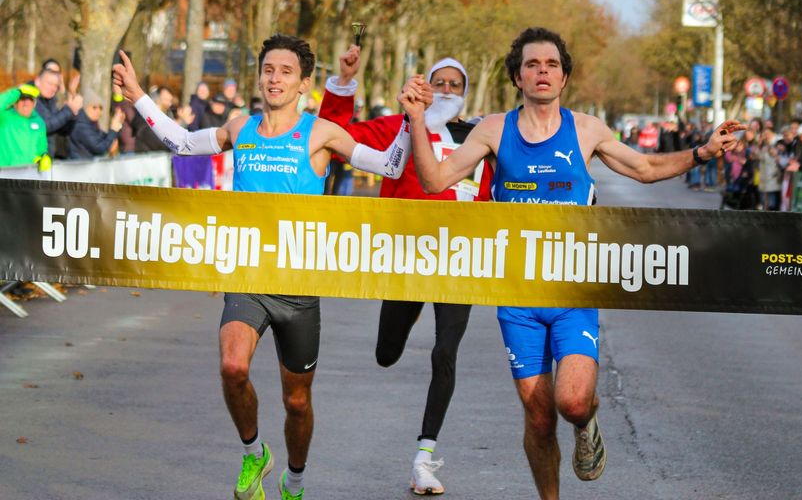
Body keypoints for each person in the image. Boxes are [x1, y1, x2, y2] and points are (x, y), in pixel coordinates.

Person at [400, 27, 745, 500]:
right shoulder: (494, 130)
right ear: (517, 77)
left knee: (573, 401)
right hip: (517, 296)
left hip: (573, 292)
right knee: (539, 418)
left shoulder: (585, 130)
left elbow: (644, 169)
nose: (542, 72)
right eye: (532, 65)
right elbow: (435, 179)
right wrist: (417, 119)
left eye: (552, 65)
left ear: (564, 77)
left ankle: (587, 423)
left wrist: (703, 151)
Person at [113, 34, 415, 500]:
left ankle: (294, 482)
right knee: (232, 367)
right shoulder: (240, 127)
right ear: (260, 77)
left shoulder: (320, 133)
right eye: (269, 70)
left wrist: (411, 120)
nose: (275, 79)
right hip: (248, 279)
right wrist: (138, 97)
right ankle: (254, 452)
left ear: (303, 84)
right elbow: (181, 142)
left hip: (297, 287)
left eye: (286, 72)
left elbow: (390, 167)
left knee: (296, 402)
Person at [319, 49, 493, 495]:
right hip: (405, 256)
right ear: (426, 87)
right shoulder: (396, 128)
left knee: (445, 353)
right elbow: (334, 138)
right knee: (386, 353)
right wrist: (344, 81)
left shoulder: (478, 140)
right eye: (441, 82)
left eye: (456, 85)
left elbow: (507, 193)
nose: (447, 91)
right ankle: (408, 314)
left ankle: (424, 458)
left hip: (459, 260)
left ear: (466, 93)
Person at [32, 60, 82, 159]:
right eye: (50, 84)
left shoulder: (51, 101)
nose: (53, 89)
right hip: (34, 159)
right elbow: (45, 126)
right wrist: (68, 110)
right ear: (37, 81)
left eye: (56, 86)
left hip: (53, 157)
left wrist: (73, 116)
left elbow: (62, 130)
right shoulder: (29, 99)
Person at [0, 83, 48, 169]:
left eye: (29, 99)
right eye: (22, 99)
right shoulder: (4, 117)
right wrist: (16, 92)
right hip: (5, 172)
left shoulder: (39, 122)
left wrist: (43, 156)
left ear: (34, 103)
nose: (26, 103)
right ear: (15, 103)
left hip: (29, 173)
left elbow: (41, 148)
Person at [67, 90, 124, 159]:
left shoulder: (91, 124)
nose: (98, 111)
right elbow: (100, 149)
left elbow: (106, 139)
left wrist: (118, 125)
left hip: (87, 166)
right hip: (80, 167)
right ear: (85, 107)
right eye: (94, 107)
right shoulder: (81, 126)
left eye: (100, 108)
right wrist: (114, 129)